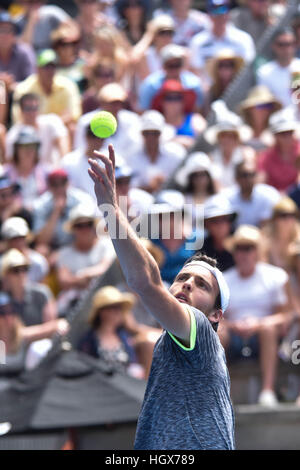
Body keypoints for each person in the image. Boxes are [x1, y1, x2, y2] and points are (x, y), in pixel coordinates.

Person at [88, 143, 235, 449]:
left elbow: (145, 281)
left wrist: (111, 210)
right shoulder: (169, 340)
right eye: (182, 277)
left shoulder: (200, 329)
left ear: (215, 315)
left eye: (202, 285)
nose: (188, 284)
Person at [221, 225, 294, 407]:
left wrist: (259, 324)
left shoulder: (275, 276)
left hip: (266, 336)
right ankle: (222, 394)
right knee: (217, 333)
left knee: (268, 329)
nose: (243, 253)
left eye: (248, 248)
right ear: (234, 252)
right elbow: (216, 317)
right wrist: (233, 326)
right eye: (239, 248)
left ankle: (267, 391)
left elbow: (286, 313)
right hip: (233, 335)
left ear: (257, 251)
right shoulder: (224, 279)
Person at [56, 203, 115, 314]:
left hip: (104, 303)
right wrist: (85, 280)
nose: (84, 229)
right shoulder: (64, 253)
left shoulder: (107, 245)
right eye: (79, 225)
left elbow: (105, 268)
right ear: (73, 229)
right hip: (74, 306)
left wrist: (83, 275)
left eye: (88, 224)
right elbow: (63, 281)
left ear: (93, 226)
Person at [78, 285, 146, 378]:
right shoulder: (89, 339)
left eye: (119, 308)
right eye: (114, 307)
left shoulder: (124, 337)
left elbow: (133, 364)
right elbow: (84, 366)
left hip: (125, 386)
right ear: (102, 312)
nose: (118, 312)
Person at [12, 49, 82, 132]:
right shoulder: (24, 89)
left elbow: (74, 115)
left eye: (53, 66)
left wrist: (48, 126)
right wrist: (51, 125)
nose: (50, 71)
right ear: (37, 69)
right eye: (46, 67)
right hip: (32, 135)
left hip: (60, 133)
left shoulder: (68, 86)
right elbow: (19, 120)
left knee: (72, 128)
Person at [190, 0, 255, 82]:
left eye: (222, 14)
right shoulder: (198, 41)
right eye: (215, 15)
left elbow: (247, 67)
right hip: (209, 90)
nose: (219, 18)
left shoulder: (243, 38)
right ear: (209, 16)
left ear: (228, 15)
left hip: (236, 87)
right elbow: (197, 70)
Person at [33, 168, 95, 252]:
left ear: (68, 183)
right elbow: (41, 241)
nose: (59, 188)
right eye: (55, 184)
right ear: (49, 186)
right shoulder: (40, 205)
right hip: (54, 248)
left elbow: (89, 230)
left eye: (62, 183)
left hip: (78, 245)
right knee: (41, 250)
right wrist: (56, 212)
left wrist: (65, 252)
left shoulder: (82, 199)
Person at [128, 110, 185, 193]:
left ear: (161, 134)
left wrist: (166, 183)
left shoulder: (176, 154)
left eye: (155, 133)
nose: (151, 138)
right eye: (147, 133)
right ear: (142, 134)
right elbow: (129, 188)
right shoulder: (132, 157)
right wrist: (150, 187)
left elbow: (183, 183)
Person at [5, 92, 69, 166]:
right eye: (28, 109)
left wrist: (64, 166)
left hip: (52, 173)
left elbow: (63, 144)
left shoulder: (52, 121)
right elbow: (11, 163)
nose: (32, 112)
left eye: (35, 108)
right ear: (21, 111)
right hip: (29, 176)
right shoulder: (13, 136)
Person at [138, 43, 204, 111]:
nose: (174, 69)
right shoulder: (150, 85)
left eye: (177, 64)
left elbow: (198, 110)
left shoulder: (194, 84)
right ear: (163, 66)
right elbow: (143, 111)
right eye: (170, 65)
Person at [222, 158, 281, 227]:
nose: (248, 179)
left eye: (252, 175)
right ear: (236, 178)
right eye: (244, 175)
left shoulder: (268, 195)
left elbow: (267, 225)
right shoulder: (227, 198)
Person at [151, 79, 206, 149]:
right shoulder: (157, 122)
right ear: (162, 102)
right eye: (169, 98)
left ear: (183, 101)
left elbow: (206, 143)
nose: (173, 102)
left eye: (178, 98)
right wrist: (174, 141)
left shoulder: (195, 120)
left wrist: (189, 143)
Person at [204, 112, 253, 189]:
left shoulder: (246, 155)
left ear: (237, 138)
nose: (227, 140)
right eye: (223, 136)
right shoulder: (211, 158)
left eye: (231, 136)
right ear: (218, 138)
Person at [3, 126, 48, 210]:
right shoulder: (5, 173)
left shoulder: (46, 172)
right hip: (14, 216)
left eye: (32, 146)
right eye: (24, 146)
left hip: (40, 216)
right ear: (16, 149)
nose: (28, 151)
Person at [258, 109, 300, 192]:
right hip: (274, 200)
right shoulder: (266, 158)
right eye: (283, 134)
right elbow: (261, 183)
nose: (287, 137)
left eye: (290, 132)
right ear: (275, 136)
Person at [256, 28, 300, 107]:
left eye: (289, 44)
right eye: (281, 44)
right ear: (273, 46)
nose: (286, 48)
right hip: (277, 118)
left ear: (295, 45)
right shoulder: (264, 72)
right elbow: (264, 102)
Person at [1, 216, 49, 283]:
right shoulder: (2, 262)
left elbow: (41, 287)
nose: (19, 242)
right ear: (7, 241)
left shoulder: (38, 261)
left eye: (21, 238)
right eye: (14, 239)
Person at [175, 152, 217, 227]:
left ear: (208, 177)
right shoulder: (183, 200)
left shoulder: (217, 199)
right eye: (195, 176)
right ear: (190, 178)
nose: (199, 179)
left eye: (202, 175)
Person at [238, 85, 281, 151]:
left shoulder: (278, 132)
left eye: (268, 106)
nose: (264, 110)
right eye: (260, 106)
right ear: (250, 109)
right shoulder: (239, 133)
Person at [202, 194, 236, 272]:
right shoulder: (202, 250)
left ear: (230, 221)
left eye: (224, 219)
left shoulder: (241, 244)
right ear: (206, 224)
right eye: (214, 220)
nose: (220, 225)